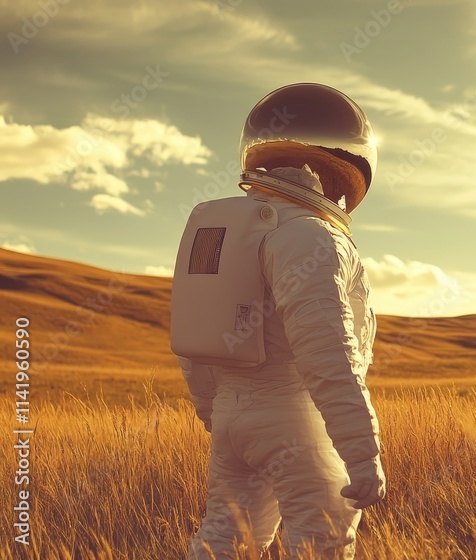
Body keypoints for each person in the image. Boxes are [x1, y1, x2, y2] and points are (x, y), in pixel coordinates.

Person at [170, 83, 385, 559]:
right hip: (295, 416)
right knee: (322, 536)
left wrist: (218, 412)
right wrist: (362, 453)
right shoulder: (311, 236)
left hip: (232, 418)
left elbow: (196, 336)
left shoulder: (220, 230)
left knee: (225, 539)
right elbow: (329, 351)